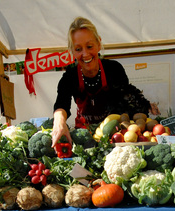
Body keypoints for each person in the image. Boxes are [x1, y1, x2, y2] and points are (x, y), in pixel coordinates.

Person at [52, 16, 160, 146]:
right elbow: (61, 104)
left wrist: (144, 105)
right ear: (72, 51)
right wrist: (59, 122)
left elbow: (126, 97)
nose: (85, 54)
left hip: (114, 137)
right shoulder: (69, 77)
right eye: (78, 49)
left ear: (98, 44)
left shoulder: (114, 69)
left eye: (90, 46)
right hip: (85, 135)